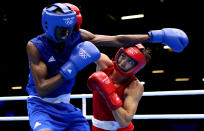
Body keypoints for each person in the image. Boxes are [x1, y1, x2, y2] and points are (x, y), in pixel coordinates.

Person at [26, 2, 189, 131]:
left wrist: (154, 36)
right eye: (63, 30)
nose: (68, 34)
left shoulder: (78, 36)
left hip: (65, 106)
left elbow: (116, 40)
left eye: (70, 29)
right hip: (41, 104)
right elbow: (43, 89)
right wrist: (72, 66)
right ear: (49, 26)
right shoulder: (35, 46)